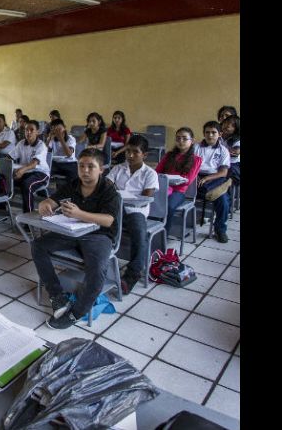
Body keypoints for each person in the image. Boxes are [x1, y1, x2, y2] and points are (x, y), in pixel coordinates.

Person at [31, 148, 122, 330]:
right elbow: (53, 200)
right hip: (72, 232)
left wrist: (80, 213)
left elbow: (108, 220)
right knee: (38, 246)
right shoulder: (73, 184)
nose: (85, 171)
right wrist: (45, 204)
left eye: (91, 166)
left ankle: (76, 313)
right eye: (81, 166)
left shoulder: (109, 189)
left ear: (101, 169)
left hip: (99, 236)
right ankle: (57, 296)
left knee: (97, 269)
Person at [106, 135, 159, 294]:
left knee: (139, 232)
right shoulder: (117, 168)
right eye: (128, 151)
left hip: (137, 212)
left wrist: (118, 193)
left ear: (145, 155)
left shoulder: (150, 173)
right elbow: (107, 187)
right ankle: (98, 262)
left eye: (135, 152)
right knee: (99, 224)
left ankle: (132, 274)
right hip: (116, 209)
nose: (130, 155)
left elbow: (145, 197)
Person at [155, 127, 203, 234]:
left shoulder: (196, 159)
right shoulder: (169, 155)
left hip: (179, 191)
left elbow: (188, 180)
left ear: (192, 141)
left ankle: (163, 235)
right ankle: (153, 229)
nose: (181, 141)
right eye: (178, 138)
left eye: (184, 138)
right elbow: (157, 172)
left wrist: (168, 178)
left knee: (169, 206)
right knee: (152, 202)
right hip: (163, 187)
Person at [194, 121, 231, 243]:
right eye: (207, 132)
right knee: (184, 195)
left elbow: (223, 173)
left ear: (220, 134)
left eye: (213, 132)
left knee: (224, 201)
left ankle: (220, 229)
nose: (210, 135)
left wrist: (207, 178)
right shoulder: (196, 147)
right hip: (197, 177)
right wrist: (197, 177)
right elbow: (191, 167)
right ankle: (184, 223)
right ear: (203, 134)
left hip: (215, 178)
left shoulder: (223, 150)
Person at [9, 119, 50, 213]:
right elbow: (10, 157)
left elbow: (34, 164)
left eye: (32, 130)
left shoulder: (41, 146)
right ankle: (1, 210)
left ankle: (28, 217)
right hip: (25, 173)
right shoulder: (21, 143)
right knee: (5, 180)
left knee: (27, 185)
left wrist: (21, 170)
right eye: (26, 130)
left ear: (37, 132)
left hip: (40, 174)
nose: (28, 132)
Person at [47, 118, 79, 183]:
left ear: (64, 128)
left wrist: (61, 138)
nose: (58, 132)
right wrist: (49, 139)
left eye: (59, 129)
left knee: (73, 180)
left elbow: (69, 154)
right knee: (44, 172)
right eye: (55, 130)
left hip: (70, 163)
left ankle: (71, 192)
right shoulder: (53, 139)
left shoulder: (71, 139)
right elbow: (46, 152)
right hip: (56, 163)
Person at [220, 115, 240, 187]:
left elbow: (236, 151)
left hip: (231, 164)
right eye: (227, 122)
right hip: (217, 162)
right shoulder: (216, 136)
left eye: (232, 125)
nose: (228, 126)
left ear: (236, 129)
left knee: (230, 170)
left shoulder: (236, 140)